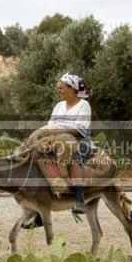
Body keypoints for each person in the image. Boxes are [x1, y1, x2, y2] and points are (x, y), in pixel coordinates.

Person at [42, 72, 95, 213]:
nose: (58, 90)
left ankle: (80, 200)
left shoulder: (84, 105)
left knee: (72, 156)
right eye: (58, 88)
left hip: (80, 141)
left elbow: (80, 129)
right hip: (57, 140)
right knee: (41, 157)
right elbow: (50, 125)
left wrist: (58, 133)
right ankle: (42, 207)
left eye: (61, 88)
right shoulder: (59, 106)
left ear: (72, 89)